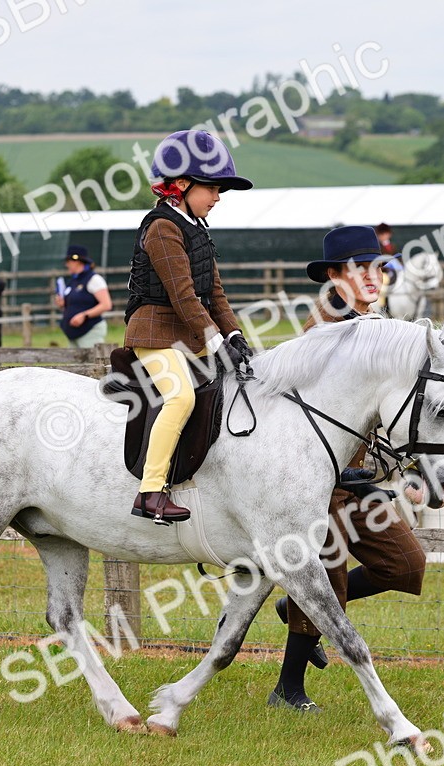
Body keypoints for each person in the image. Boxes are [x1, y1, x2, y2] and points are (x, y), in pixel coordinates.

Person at [269, 225, 428, 712]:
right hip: (318, 481)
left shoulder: (377, 322)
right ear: (335, 276)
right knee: (327, 578)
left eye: (379, 267)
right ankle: (289, 690)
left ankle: (292, 609)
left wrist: (410, 470)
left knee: (406, 564)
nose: (373, 277)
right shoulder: (327, 330)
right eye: (360, 269)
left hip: (358, 479)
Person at [125, 130, 255, 523]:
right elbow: (183, 296)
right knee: (180, 398)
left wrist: (234, 334)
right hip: (153, 333)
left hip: (185, 334)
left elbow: (213, 292)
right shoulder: (163, 227)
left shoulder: (196, 227)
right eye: (213, 188)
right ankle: (150, 492)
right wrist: (215, 341)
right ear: (181, 185)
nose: (218, 197)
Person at [54, 245, 112, 349]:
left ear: (77, 261)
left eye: (68, 261)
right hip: (73, 333)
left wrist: (84, 315)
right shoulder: (73, 281)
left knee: (92, 364)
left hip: (90, 331)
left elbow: (106, 305)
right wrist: (62, 304)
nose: (66, 265)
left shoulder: (94, 279)